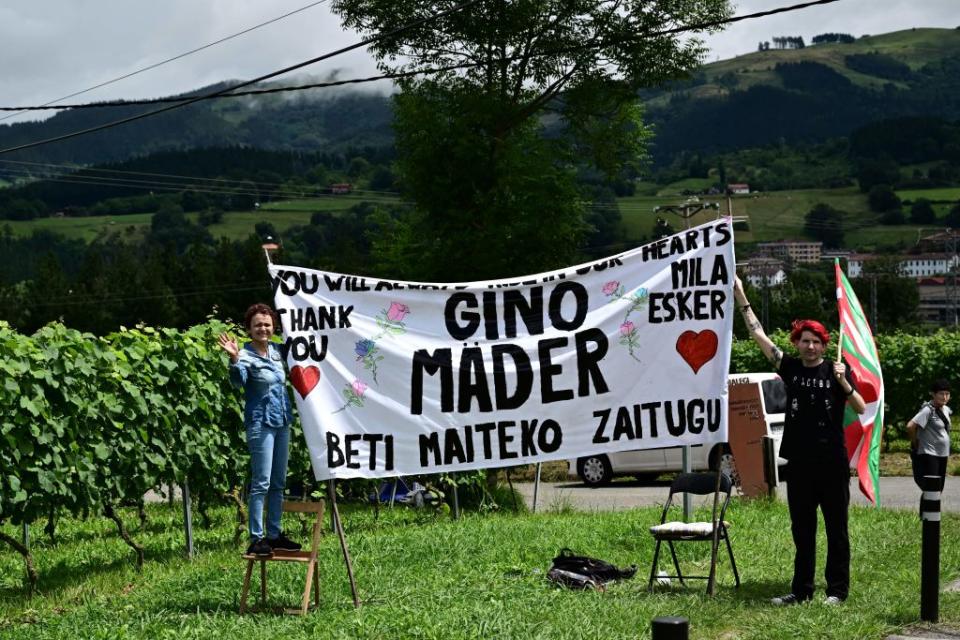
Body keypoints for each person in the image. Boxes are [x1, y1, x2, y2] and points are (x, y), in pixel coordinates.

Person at [732, 277, 865, 606]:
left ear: (824, 344)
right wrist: (740, 295)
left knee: (837, 530)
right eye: (804, 341)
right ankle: (801, 590)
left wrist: (842, 381)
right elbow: (758, 335)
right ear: (796, 343)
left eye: (815, 342)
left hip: (832, 464)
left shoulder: (837, 371)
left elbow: (860, 407)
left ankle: (836, 591)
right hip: (800, 464)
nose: (810, 347)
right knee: (802, 532)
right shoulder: (790, 368)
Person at [218, 303, 301, 558]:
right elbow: (238, 381)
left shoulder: (277, 352)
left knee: (278, 482)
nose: (263, 329)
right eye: (258, 325)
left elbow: (300, 344)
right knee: (261, 483)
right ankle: (256, 538)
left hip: (282, 422)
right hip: (260, 423)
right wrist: (233, 358)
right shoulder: (244, 356)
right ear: (249, 329)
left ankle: (274, 535)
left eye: (267, 324)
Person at [907, 379, 952, 492]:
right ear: (933, 394)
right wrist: (915, 442)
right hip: (930, 454)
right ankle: (926, 510)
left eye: (947, 394)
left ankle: (932, 510)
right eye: (941, 394)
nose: (945, 397)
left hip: (942, 453)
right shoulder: (928, 410)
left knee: (938, 488)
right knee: (931, 488)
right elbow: (910, 426)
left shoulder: (945, 409)